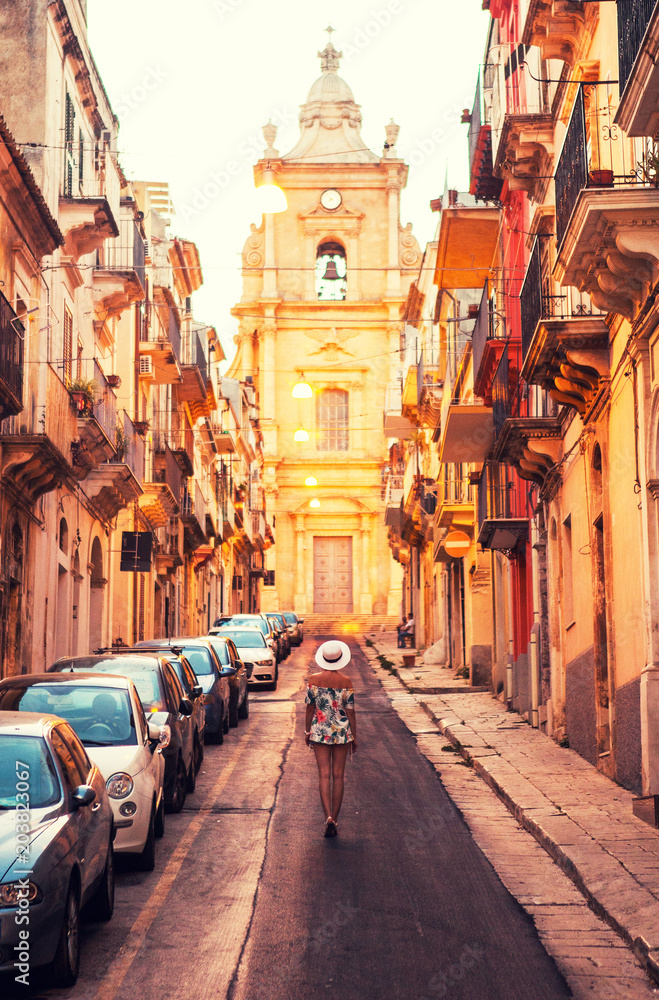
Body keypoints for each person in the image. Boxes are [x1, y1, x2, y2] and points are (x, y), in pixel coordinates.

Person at [305, 640, 357, 838]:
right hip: (342, 732)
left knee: (324, 775)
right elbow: (350, 712)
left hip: (319, 730)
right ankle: (335, 818)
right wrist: (354, 736)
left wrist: (306, 731)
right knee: (338, 776)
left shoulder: (313, 680)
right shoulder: (346, 682)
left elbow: (310, 708)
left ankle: (326, 815)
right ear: (340, 659)